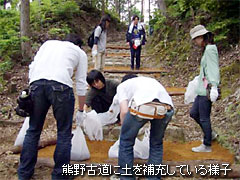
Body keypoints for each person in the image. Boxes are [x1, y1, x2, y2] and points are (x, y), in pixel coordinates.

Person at [17, 34, 88, 180]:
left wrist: (32, 89)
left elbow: (32, 67)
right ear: (78, 45)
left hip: (36, 84)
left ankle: (24, 173)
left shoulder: (48, 44)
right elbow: (81, 84)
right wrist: (81, 110)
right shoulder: (80, 53)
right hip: (61, 87)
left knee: (33, 130)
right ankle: (60, 175)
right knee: (63, 133)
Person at [114, 74, 174, 179]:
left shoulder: (122, 86)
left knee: (126, 142)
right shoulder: (149, 81)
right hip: (166, 107)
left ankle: (126, 177)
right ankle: (153, 178)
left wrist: (125, 128)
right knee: (156, 144)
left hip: (142, 106)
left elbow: (124, 111)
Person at [189, 25, 220, 152]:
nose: (196, 42)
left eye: (196, 39)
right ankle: (210, 134)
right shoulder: (207, 48)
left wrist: (214, 86)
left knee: (204, 117)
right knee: (194, 113)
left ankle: (207, 144)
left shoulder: (210, 49)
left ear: (201, 37)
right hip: (202, 88)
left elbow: (213, 68)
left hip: (207, 89)